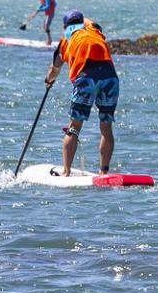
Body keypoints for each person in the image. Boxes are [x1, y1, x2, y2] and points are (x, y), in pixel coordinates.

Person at [43, 10, 118, 176]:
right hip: (110, 77)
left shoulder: (65, 40)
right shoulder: (94, 30)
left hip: (86, 78)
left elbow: (55, 69)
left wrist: (48, 81)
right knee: (106, 127)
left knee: (74, 128)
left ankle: (66, 172)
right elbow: (90, 21)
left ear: (65, 26)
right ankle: (104, 172)